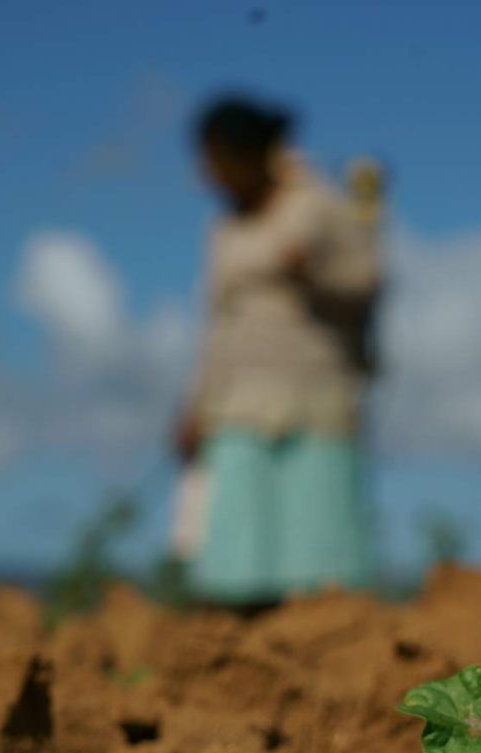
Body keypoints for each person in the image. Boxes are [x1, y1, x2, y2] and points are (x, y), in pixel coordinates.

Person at [172, 94, 383, 610]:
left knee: (319, 563)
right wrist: (197, 405)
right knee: (237, 562)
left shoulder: (317, 207)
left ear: (249, 155)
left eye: (218, 159)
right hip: (238, 407)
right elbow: (217, 326)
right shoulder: (222, 231)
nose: (210, 174)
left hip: (313, 399)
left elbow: (367, 280)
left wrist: (312, 272)